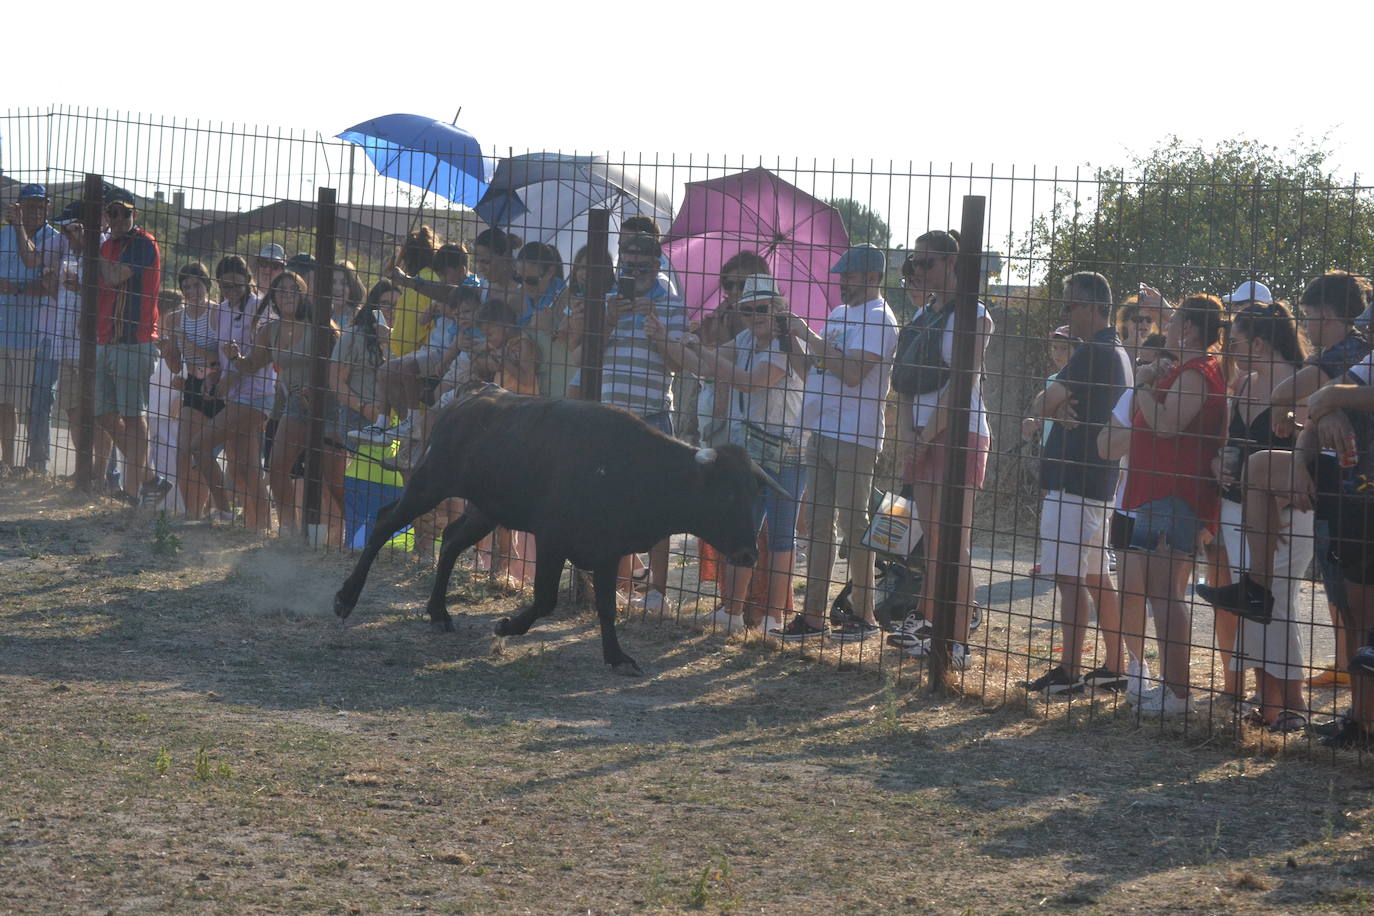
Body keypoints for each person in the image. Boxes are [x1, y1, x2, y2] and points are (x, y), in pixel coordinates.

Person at [647, 273, 806, 634]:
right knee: (744, 528)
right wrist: (666, 341)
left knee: (782, 536)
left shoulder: (789, 343)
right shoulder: (746, 338)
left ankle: (773, 619)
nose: (754, 316)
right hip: (751, 450)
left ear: (779, 308)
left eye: (762, 308)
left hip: (789, 451)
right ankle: (732, 613)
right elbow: (704, 365)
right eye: (747, 310)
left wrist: (699, 349)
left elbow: (751, 381)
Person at [1193, 301, 1310, 731]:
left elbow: (1306, 459)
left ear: (1258, 341)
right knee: (1253, 602)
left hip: (1285, 515)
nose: (1229, 347)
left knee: (1275, 602)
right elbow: (1231, 443)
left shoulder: (1301, 387)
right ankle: (1272, 703)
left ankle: (1289, 706)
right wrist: (1218, 465)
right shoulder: (1242, 385)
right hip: (1236, 507)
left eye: (1236, 339)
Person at [1020, 272, 1133, 695]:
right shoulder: (1117, 351)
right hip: (1099, 481)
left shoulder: (1090, 354)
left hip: (1074, 480)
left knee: (1069, 579)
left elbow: (1041, 402)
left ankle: (1068, 672)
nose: (1064, 313)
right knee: (1095, 577)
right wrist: (1058, 404)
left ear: (1091, 308)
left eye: (1069, 306)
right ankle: (1114, 666)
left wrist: (1055, 404)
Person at [782, 243, 898, 641]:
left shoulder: (881, 319)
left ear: (871, 278)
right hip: (822, 430)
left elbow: (851, 373)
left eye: (848, 277)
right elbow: (814, 370)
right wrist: (790, 339)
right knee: (817, 525)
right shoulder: (838, 315)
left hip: (856, 434)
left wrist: (807, 334)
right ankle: (812, 617)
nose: (841, 283)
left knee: (853, 525)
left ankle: (864, 616)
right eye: (840, 276)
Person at [568, 232, 689, 613]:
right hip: (610, 418)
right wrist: (607, 320)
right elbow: (581, 359)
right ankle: (617, 586)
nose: (632, 272)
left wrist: (660, 336)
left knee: (658, 508)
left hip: (652, 414)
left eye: (640, 266)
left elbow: (679, 366)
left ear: (656, 266)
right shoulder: (604, 301)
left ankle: (656, 593)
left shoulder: (672, 307)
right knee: (608, 505)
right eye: (627, 265)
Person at [1120, 295, 1228, 715]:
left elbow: (1166, 426)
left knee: (1166, 596)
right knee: (1162, 594)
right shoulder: (1185, 369)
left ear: (1189, 330)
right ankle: (1171, 687)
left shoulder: (1198, 373)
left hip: (1174, 496)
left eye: (1174, 321)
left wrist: (1143, 383)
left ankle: (1178, 693)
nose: (1165, 328)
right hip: (1158, 493)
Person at [888, 232, 993, 664]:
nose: (918, 271)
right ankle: (929, 626)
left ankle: (957, 640)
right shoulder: (922, 315)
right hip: (921, 435)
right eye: (915, 263)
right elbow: (908, 380)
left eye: (927, 263)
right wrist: (909, 435)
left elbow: (961, 384)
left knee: (954, 540)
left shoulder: (974, 313)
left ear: (952, 262)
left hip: (959, 433)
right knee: (933, 540)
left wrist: (926, 436)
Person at [185, 256, 277, 530]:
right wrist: (214, 377)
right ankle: (257, 528)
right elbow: (222, 354)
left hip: (257, 394)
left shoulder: (261, 308)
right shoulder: (222, 310)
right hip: (233, 396)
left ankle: (224, 512)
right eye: (225, 286)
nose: (230, 291)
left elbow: (259, 356)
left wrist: (231, 377)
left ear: (247, 280)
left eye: (236, 285)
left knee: (199, 446)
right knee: (242, 467)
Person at [94, 197, 169, 505]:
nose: (120, 219)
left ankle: (132, 492)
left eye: (125, 214)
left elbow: (112, 277)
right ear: (106, 217)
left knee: (132, 417)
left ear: (133, 215)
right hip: (107, 340)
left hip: (135, 341)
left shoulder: (143, 243)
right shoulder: (107, 247)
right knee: (103, 414)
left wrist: (89, 251)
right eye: (114, 214)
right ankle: (150, 477)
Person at [264, 271, 345, 540]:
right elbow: (251, 363)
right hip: (296, 405)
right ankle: (289, 530)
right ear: (273, 296)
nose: (286, 294)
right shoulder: (271, 329)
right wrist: (231, 363)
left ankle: (351, 534)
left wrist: (317, 387)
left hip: (328, 405)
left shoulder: (320, 325)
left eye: (292, 289)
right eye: (281, 290)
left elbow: (339, 366)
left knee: (332, 480)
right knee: (276, 466)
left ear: (303, 294)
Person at [162, 262, 228, 518]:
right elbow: (176, 363)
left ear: (207, 285)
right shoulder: (175, 318)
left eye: (196, 284)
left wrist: (189, 342)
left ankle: (221, 509)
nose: (191, 291)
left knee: (210, 455)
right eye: (186, 286)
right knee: (185, 451)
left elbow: (218, 357)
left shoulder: (217, 314)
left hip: (219, 386)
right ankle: (192, 515)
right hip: (193, 386)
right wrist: (168, 353)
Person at [0, 185, 57, 475]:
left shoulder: (54, 240)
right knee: (4, 403)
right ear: (18, 206)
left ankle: (35, 465)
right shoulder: (4, 235)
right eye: (28, 205)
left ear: (48, 207)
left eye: (40, 205)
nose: (35, 209)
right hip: (3, 330)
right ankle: (7, 463)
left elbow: (49, 286)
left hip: (36, 335)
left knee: (34, 405)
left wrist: (16, 288)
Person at [513, 242, 570, 398]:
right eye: (519, 279)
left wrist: (553, 328)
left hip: (558, 389)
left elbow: (577, 346)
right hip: (523, 390)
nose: (524, 286)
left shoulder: (567, 298)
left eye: (531, 281)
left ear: (550, 272)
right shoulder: (514, 299)